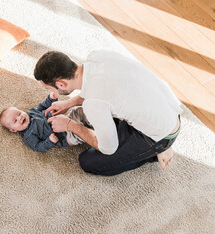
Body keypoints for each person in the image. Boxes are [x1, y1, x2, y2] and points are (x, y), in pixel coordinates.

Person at [34, 50, 182, 175]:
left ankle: (156, 151)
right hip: (167, 108)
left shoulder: (93, 105)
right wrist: (68, 103)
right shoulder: (97, 56)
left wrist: (70, 125)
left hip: (161, 135)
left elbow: (108, 148)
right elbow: (102, 88)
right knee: (109, 108)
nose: (52, 92)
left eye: (50, 89)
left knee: (89, 162)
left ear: (60, 84)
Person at [0, 92, 92, 152]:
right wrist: (49, 141)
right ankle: (93, 133)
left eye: (19, 113)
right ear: (13, 130)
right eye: (15, 121)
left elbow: (42, 106)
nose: (20, 118)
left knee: (78, 111)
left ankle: (93, 119)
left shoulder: (31, 112)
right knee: (79, 133)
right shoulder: (28, 136)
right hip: (65, 136)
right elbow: (38, 147)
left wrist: (51, 99)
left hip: (66, 119)